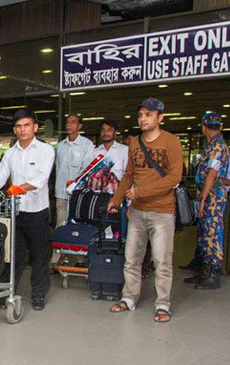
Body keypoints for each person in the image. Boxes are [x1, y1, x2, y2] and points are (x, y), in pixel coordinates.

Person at [108, 98, 182, 323]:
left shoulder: (171, 142)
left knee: (162, 260)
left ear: (160, 117)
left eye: (148, 115)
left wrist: (139, 192)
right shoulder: (135, 143)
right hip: (137, 212)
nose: (142, 119)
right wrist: (117, 198)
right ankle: (129, 297)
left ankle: (162, 304)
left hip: (162, 211)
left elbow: (174, 178)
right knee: (131, 258)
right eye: (140, 115)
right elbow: (129, 174)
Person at [0, 109, 55, 310]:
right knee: (12, 256)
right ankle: (5, 293)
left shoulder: (46, 151)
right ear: (14, 130)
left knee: (39, 256)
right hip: (16, 213)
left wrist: (21, 187)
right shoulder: (10, 153)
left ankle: (38, 294)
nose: (22, 129)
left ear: (34, 127)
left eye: (26, 125)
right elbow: (0, 179)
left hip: (38, 212)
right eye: (18, 126)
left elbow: (41, 179)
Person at [184, 112, 228, 289]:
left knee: (212, 232)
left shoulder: (218, 146)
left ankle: (213, 274)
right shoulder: (212, 145)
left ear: (203, 127)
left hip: (213, 197)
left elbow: (212, 174)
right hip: (208, 194)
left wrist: (203, 199)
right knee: (203, 232)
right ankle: (204, 270)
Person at [55, 114, 94, 227]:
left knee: (76, 223)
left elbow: (87, 169)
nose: (69, 125)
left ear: (79, 126)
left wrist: (75, 184)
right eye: (67, 122)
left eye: (73, 122)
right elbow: (57, 167)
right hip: (61, 191)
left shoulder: (86, 144)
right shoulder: (61, 145)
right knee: (60, 223)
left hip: (78, 192)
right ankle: (60, 244)